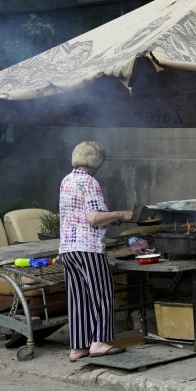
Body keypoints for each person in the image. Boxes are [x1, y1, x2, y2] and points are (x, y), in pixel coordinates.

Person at [58, 141, 134, 363]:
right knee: (101, 293)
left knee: (78, 297)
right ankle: (99, 342)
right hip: (88, 249)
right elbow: (93, 217)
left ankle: (78, 347)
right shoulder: (89, 182)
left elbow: (82, 215)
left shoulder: (67, 180)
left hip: (68, 249)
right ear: (96, 161)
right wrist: (122, 214)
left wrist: (111, 219)